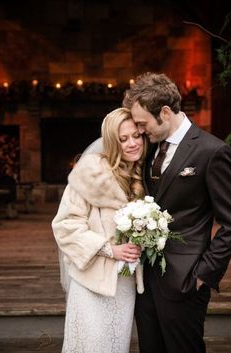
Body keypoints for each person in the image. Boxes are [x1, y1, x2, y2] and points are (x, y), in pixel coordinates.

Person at [122, 72, 231, 353]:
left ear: (166, 112)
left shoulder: (212, 151)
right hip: (145, 283)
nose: (140, 131)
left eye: (143, 123)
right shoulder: (147, 149)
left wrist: (203, 275)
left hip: (186, 282)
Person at [52, 107, 147, 353]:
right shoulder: (90, 174)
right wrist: (108, 249)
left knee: (116, 345)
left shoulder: (143, 174)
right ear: (112, 143)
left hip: (124, 283)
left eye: (136, 136)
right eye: (123, 139)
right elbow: (65, 226)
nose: (132, 144)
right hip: (92, 280)